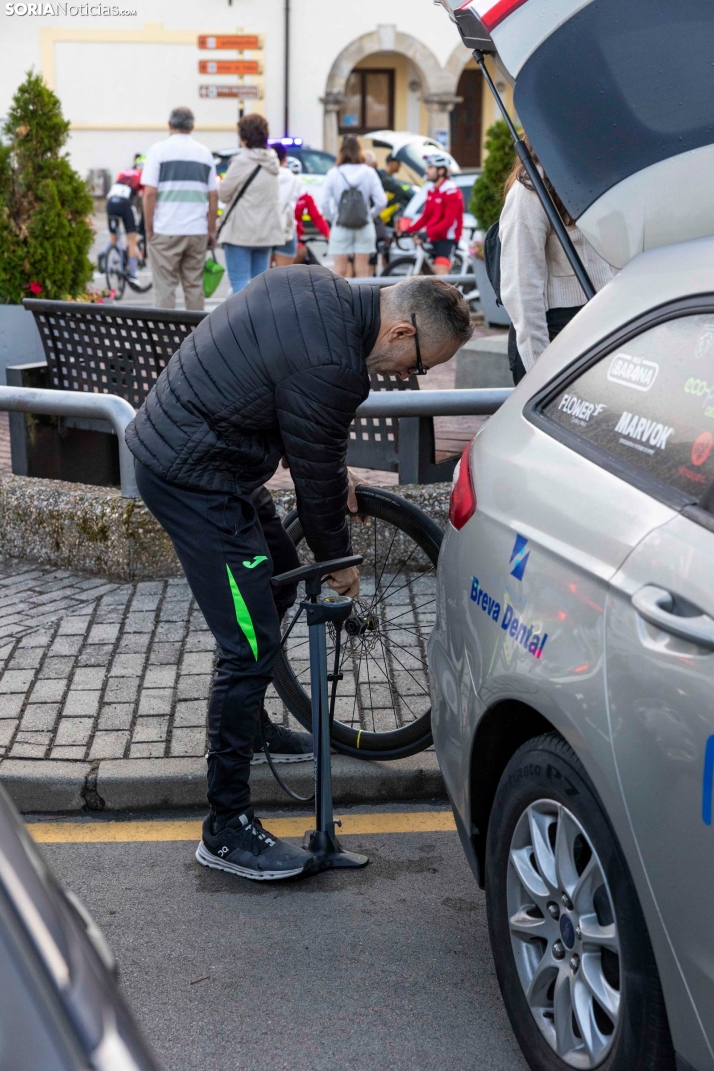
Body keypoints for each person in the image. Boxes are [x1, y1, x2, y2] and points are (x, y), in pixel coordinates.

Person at [125, 268, 472, 881]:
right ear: (397, 329)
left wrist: (332, 475)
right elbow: (314, 485)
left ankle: (251, 723)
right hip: (193, 475)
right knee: (251, 641)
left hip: (214, 454)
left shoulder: (322, 292)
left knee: (280, 577)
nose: (405, 376)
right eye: (416, 364)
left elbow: (303, 429)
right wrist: (341, 565)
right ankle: (225, 828)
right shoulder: (335, 362)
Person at [499, 136, 615, 384]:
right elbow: (521, 285)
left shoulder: (592, 177)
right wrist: (539, 368)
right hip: (555, 330)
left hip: (597, 323)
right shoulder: (531, 190)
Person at [142, 107, 218, 311]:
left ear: (169, 125)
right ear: (192, 126)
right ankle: (197, 338)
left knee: (165, 288)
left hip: (166, 229)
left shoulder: (158, 151)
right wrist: (211, 229)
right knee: (194, 287)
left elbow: (149, 193)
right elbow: (213, 195)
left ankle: (164, 339)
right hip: (196, 231)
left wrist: (148, 229)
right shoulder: (204, 154)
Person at [217, 114, 285, 293]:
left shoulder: (241, 162)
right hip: (266, 231)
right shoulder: (273, 161)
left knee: (239, 285)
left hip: (240, 231)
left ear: (244, 137)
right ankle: (259, 321)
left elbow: (224, 194)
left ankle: (240, 321)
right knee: (260, 287)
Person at [322, 135, 386, 279]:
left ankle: (340, 301)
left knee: (339, 270)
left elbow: (324, 204)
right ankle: (361, 301)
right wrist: (369, 215)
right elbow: (381, 201)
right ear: (360, 151)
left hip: (341, 226)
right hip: (364, 226)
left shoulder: (334, 173)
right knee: (362, 270)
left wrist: (335, 218)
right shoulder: (369, 172)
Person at [401, 153, 463, 276]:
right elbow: (425, 217)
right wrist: (407, 230)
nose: (426, 170)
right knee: (420, 275)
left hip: (447, 239)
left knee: (440, 275)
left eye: (430, 167)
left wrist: (427, 233)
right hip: (433, 236)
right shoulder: (431, 190)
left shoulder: (451, 190)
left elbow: (448, 222)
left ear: (440, 171)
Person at [104, 159, 144, 279]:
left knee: (113, 238)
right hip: (125, 203)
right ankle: (132, 274)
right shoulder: (143, 175)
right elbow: (144, 195)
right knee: (132, 240)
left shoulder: (123, 172)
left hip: (111, 202)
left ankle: (103, 255)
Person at [272, 143, 303, 267]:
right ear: (285, 158)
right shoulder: (294, 179)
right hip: (286, 230)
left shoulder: (263, 175)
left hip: (264, 229)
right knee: (284, 278)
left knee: (263, 278)